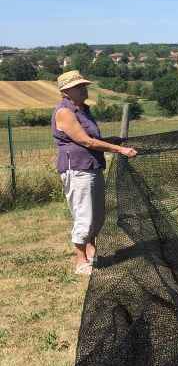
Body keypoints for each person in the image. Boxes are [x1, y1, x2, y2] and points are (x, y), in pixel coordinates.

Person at [52, 70, 138, 275]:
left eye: (84, 86)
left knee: (97, 216)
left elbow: (92, 139)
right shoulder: (65, 112)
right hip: (77, 169)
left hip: (92, 166)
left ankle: (91, 251)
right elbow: (85, 141)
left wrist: (111, 141)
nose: (84, 89)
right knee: (85, 215)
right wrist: (120, 150)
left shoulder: (83, 110)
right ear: (66, 91)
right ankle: (80, 261)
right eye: (79, 87)